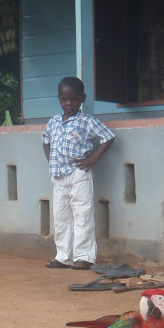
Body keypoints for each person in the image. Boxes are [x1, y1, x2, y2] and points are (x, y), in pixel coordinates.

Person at [42, 77, 115, 270]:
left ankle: (84, 257)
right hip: (58, 176)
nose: (68, 103)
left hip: (79, 173)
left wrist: (93, 159)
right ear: (59, 99)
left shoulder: (87, 121)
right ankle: (63, 256)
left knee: (82, 214)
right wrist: (51, 159)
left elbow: (108, 137)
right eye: (64, 99)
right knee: (61, 217)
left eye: (73, 99)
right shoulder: (54, 121)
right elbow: (45, 140)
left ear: (82, 98)